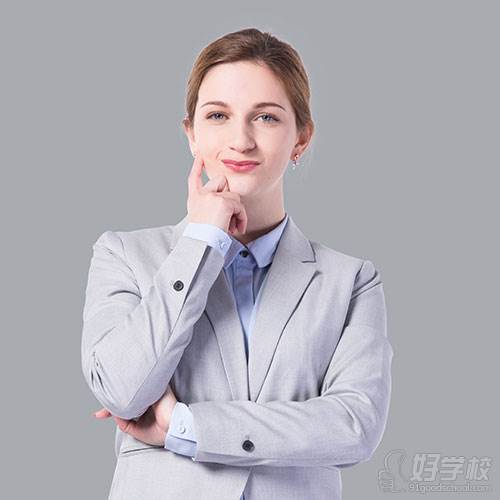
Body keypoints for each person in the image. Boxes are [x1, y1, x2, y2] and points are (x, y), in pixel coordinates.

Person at [81, 27, 393, 500]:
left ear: (301, 138)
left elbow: (354, 426)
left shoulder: (349, 281)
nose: (240, 140)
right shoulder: (123, 255)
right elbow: (121, 390)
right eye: (218, 116)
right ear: (192, 134)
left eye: (266, 117)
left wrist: (186, 426)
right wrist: (202, 241)